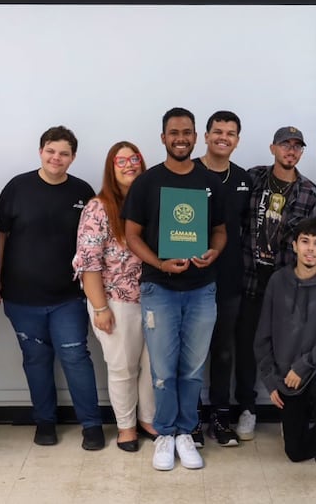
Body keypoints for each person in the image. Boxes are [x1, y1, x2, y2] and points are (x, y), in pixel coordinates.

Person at [122, 107, 227, 471]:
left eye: (186, 132)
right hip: (160, 289)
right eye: (174, 133)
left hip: (202, 289)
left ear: (195, 137)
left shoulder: (209, 182)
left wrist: (214, 252)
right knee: (164, 370)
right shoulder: (147, 182)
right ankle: (165, 434)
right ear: (163, 137)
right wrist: (159, 263)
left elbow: (220, 230)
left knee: (193, 369)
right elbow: (132, 235)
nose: (180, 139)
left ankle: (186, 431)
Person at [0, 126, 103, 450]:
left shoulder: (83, 192)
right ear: (41, 151)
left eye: (64, 153)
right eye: (51, 151)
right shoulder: (17, 187)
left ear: (73, 157)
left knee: (75, 357)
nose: (56, 158)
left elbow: (93, 243)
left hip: (68, 297)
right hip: (22, 297)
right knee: (35, 359)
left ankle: (92, 425)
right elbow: (0, 235)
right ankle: (45, 421)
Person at [255, 218, 316, 495]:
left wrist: (304, 365)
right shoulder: (278, 281)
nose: (311, 249)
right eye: (305, 242)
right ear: (295, 246)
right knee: (295, 451)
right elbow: (263, 337)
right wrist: (271, 380)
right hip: (288, 374)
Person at [236, 125, 316, 441]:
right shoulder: (253, 178)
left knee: (289, 349)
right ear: (273, 148)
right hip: (248, 278)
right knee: (247, 347)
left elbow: (312, 246)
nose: (291, 151)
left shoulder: (310, 193)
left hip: (287, 285)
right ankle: (247, 408)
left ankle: (292, 411)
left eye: (297, 146)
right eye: (285, 144)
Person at [72, 141, 156, 452]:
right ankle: (126, 427)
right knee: (123, 367)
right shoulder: (99, 207)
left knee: (154, 366)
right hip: (117, 302)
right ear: (111, 168)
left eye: (135, 159)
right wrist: (100, 307)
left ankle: (148, 419)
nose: (129, 165)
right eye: (121, 161)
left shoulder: (152, 202)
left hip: (156, 298)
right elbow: (88, 262)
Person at [193, 111, 252, 447]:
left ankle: (220, 416)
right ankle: (191, 418)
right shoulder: (187, 172)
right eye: (217, 131)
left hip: (230, 279)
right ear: (206, 136)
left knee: (224, 351)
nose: (223, 137)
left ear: (237, 140)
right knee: (192, 352)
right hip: (191, 278)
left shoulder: (243, 178)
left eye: (230, 133)